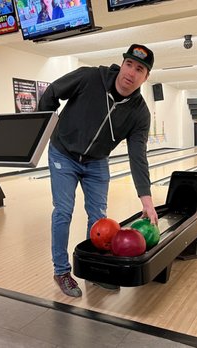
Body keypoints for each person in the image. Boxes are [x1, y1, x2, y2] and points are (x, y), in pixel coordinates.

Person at [38, 44, 158, 297]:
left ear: (146, 77)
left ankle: (94, 270)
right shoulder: (90, 77)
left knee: (99, 219)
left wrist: (146, 199)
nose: (131, 73)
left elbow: (138, 155)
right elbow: (52, 92)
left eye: (140, 69)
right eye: (129, 65)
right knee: (63, 211)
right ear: (122, 64)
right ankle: (61, 271)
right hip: (63, 153)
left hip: (96, 162)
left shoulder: (139, 113)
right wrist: (44, 128)